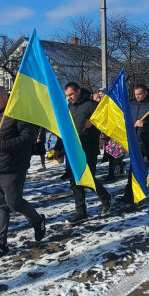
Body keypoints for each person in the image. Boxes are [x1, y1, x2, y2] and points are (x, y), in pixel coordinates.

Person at [0, 86, 46, 260]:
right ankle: (0, 244)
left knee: (14, 202)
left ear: (6, 96)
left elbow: (28, 137)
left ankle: (38, 220)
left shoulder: (19, 114)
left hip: (13, 167)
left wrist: (2, 145)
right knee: (0, 206)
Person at [64, 82, 113, 221]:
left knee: (87, 178)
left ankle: (105, 197)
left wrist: (93, 123)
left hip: (88, 148)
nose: (70, 98)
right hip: (73, 149)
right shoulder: (69, 108)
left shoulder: (92, 105)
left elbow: (105, 122)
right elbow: (66, 128)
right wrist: (58, 148)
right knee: (74, 181)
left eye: (71, 94)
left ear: (78, 91)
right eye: (67, 96)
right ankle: (81, 212)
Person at [118, 83, 149, 204]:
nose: (137, 96)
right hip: (136, 141)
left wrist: (144, 124)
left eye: (140, 94)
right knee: (133, 168)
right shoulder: (132, 104)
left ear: (145, 92)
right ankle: (129, 194)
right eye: (135, 94)